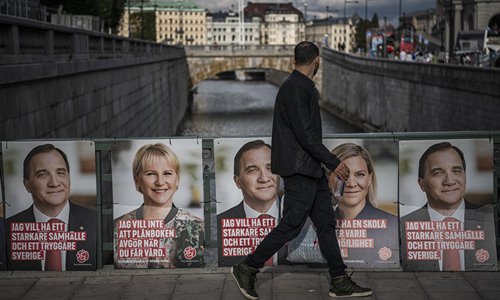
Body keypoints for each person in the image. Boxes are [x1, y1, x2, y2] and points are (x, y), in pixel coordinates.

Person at [231, 41, 372, 299]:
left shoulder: (297, 86)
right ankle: (247, 267)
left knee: (326, 224)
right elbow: (306, 136)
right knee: (290, 226)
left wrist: (323, 165)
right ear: (317, 61)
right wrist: (334, 163)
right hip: (300, 171)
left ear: (295, 59)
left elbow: (305, 137)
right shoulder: (297, 89)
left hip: (310, 169)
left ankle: (338, 279)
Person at [287, 143, 399, 268]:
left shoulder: (391, 224)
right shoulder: (310, 226)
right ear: (328, 180)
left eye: (359, 174)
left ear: (369, 178)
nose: (351, 184)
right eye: (342, 176)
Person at [401, 142, 497, 271]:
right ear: (422, 184)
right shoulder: (402, 227)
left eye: (457, 171)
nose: (449, 181)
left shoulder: (490, 219)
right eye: (438, 173)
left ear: (464, 176)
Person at [6, 144, 96, 271]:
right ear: (27, 185)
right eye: (42, 174)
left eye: (60, 172)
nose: (54, 183)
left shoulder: (97, 222)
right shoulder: (6, 231)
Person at [113, 143, 204, 268]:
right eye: (151, 174)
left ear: (177, 179)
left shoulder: (196, 227)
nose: (160, 182)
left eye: (167, 173)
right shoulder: (118, 227)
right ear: (137, 180)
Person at [217, 140, 280, 266]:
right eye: (252, 170)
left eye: (270, 168)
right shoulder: (218, 227)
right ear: (237, 181)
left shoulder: (305, 219)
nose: (264, 178)